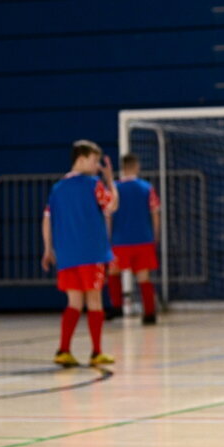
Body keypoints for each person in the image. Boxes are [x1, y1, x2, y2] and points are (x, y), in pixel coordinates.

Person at [42, 140, 120, 367]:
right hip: (92, 253)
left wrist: (48, 249)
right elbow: (111, 205)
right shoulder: (93, 184)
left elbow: (46, 220)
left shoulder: (57, 188)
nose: (97, 166)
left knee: (73, 302)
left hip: (67, 256)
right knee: (94, 301)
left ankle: (63, 350)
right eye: (95, 161)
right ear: (82, 158)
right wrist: (110, 181)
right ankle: (96, 353)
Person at [106, 153, 161, 325]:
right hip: (143, 239)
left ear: (122, 167)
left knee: (113, 273)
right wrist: (155, 235)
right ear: (137, 166)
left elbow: (108, 215)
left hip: (120, 240)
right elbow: (155, 214)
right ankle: (149, 313)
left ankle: (117, 306)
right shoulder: (146, 187)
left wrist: (108, 237)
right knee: (143, 277)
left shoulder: (114, 188)